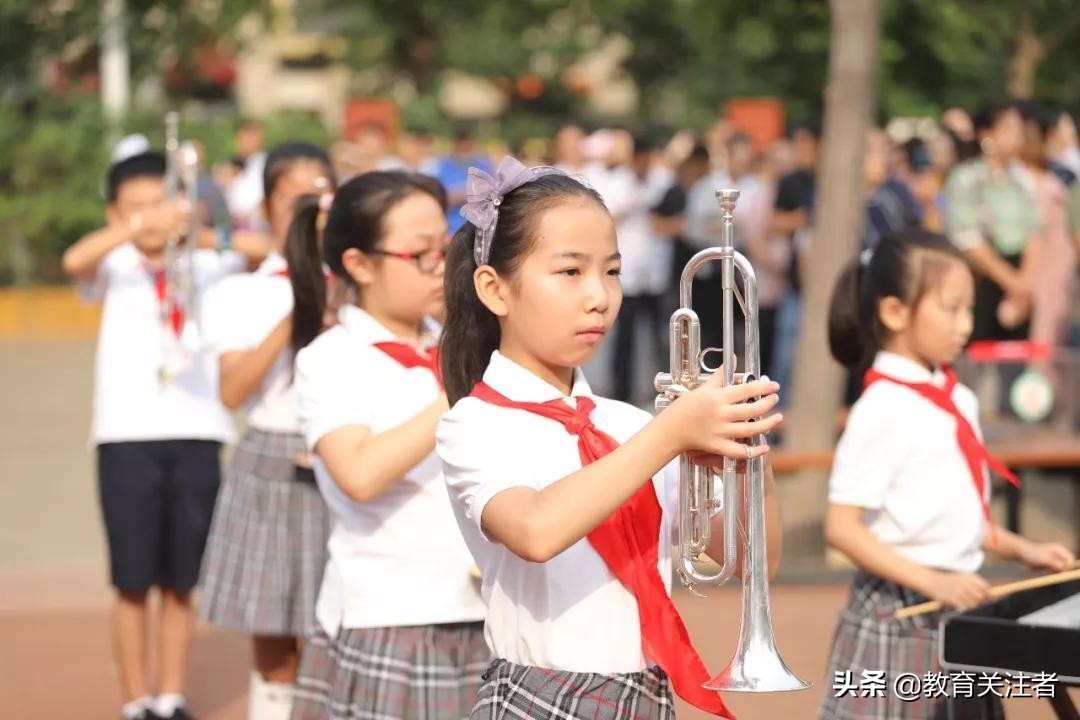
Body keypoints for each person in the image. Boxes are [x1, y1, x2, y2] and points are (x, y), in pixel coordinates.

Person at [436, 156, 785, 719]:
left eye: (613, 271)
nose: (599, 296)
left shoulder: (630, 424)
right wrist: (671, 432)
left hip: (644, 695)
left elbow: (750, 562)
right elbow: (536, 530)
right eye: (570, 272)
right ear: (494, 290)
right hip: (537, 696)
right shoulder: (474, 423)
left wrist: (749, 452)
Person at [819, 229, 1075, 720]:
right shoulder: (882, 407)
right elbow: (841, 527)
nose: (965, 323)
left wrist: (1027, 550)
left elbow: (954, 514)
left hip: (957, 605)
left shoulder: (959, 397)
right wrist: (931, 582)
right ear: (895, 313)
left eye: (968, 308)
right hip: (900, 613)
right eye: (951, 308)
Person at [61, 150, 260, 720]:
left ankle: (171, 696)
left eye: (158, 203)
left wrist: (194, 233)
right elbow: (75, 259)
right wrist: (132, 231)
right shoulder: (115, 265)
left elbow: (261, 252)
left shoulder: (204, 262)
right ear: (114, 213)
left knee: (180, 581)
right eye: (134, 206)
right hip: (125, 436)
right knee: (131, 581)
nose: (148, 216)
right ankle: (134, 701)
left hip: (198, 432)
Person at [288, 171, 488, 719]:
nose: (440, 267)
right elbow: (359, 473)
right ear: (359, 264)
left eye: (445, 248)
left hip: (491, 608)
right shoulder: (331, 358)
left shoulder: (450, 343)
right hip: (395, 618)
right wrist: (462, 384)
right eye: (420, 254)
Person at [197, 142, 338, 720]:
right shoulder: (243, 290)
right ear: (267, 204)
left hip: (342, 458)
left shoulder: (360, 284)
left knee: (336, 638)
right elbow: (232, 391)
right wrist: (301, 308)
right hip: (271, 456)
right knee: (274, 639)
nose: (310, 209)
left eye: (322, 196)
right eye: (296, 199)